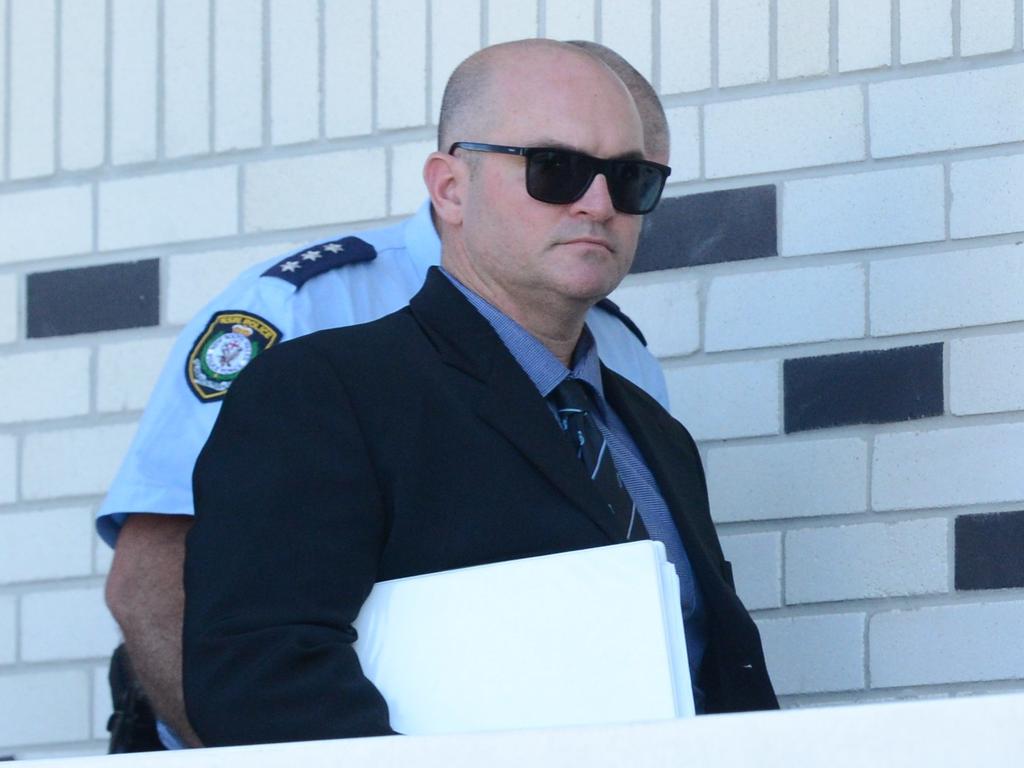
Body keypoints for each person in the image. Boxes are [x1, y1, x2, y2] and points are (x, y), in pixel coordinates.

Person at [182, 38, 777, 747]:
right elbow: (264, 680)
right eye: (554, 169)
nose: (597, 203)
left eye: (629, 178)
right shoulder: (324, 392)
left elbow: (714, 673)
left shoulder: (651, 430)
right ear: (449, 189)